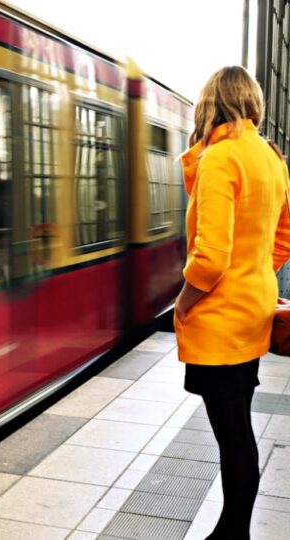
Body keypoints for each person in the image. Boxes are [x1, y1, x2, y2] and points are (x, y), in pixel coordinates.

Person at [174, 66, 290, 540]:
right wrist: (258, 271)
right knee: (237, 427)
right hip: (252, 313)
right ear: (253, 105)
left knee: (233, 433)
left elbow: (210, 257)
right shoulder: (270, 158)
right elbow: (283, 240)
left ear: (210, 104)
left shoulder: (220, 159)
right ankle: (232, 530)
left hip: (220, 319)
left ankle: (232, 534)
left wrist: (182, 303)